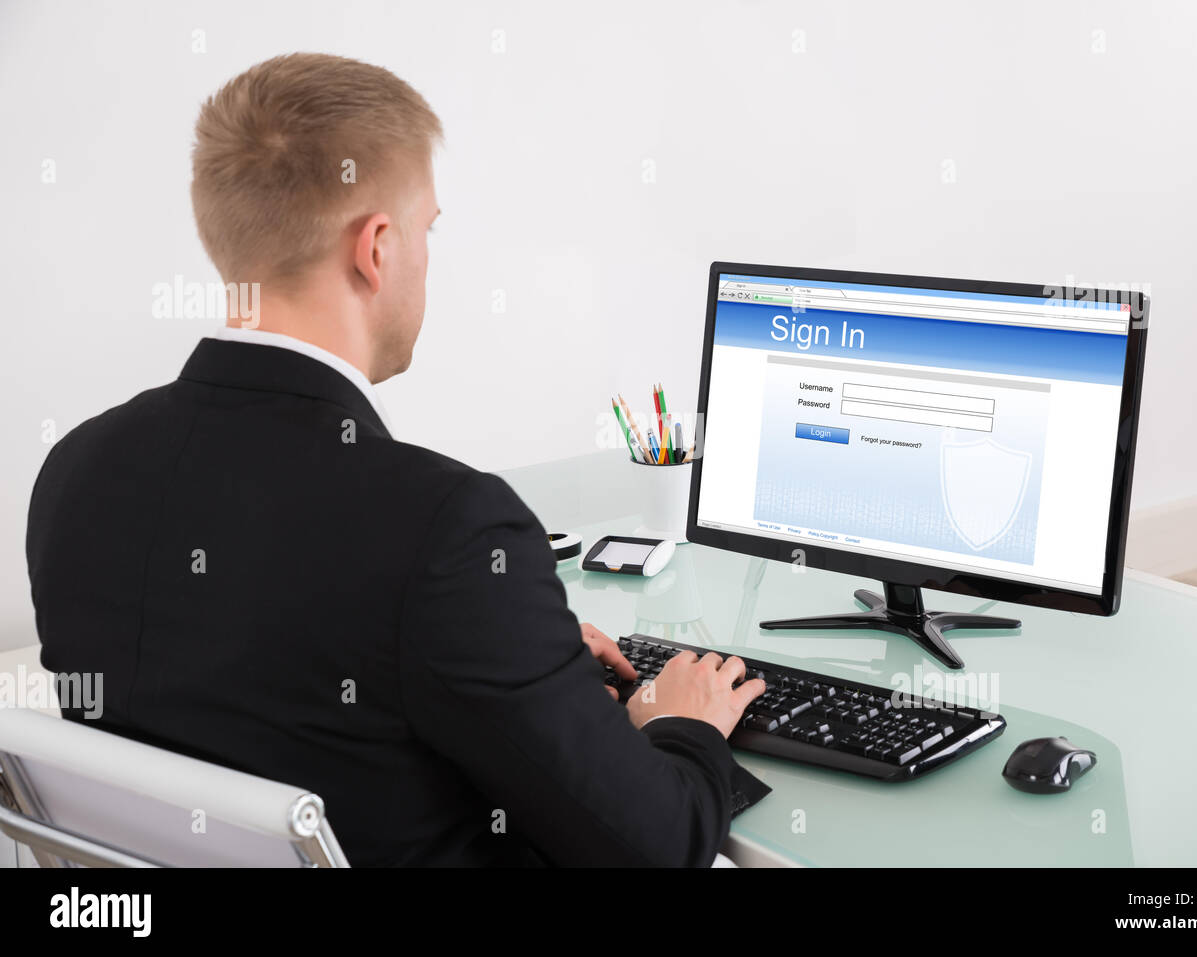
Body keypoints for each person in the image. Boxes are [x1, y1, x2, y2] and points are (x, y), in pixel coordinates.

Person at [26, 53, 766, 866]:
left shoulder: (75, 472)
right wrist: (683, 721)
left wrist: (523, 658)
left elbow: (275, 678)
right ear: (376, 248)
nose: (426, 257)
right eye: (428, 230)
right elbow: (656, 848)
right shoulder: (449, 528)